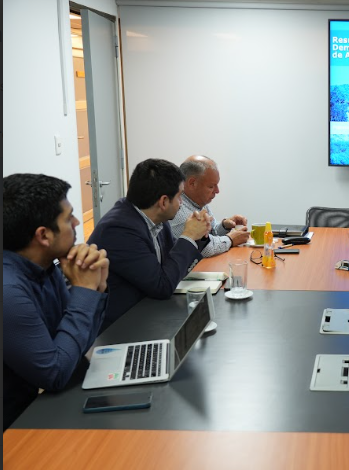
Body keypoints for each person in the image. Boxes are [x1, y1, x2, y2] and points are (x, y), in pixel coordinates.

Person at [3, 174, 110, 431]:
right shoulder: (8, 292)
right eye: (68, 218)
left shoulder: (46, 266)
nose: (76, 223)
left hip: (31, 409)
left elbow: (75, 345)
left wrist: (98, 285)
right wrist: (85, 290)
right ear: (44, 235)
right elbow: (55, 374)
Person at [88, 158, 211, 331]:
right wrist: (189, 235)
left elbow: (172, 267)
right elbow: (162, 286)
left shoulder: (156, 218)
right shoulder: (119, 229)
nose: (182, 203)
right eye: (179, 197)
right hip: (120, 328)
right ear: (163, 202)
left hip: (148, 311)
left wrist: (199, 235)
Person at [169, 155, 249, 257]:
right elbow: (205, 248)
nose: (217, 191)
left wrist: (225, 225)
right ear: (192, 183)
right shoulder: (177, 209)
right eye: (211, 186)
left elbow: (211, 232)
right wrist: (230, 239)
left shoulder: (199, 202)